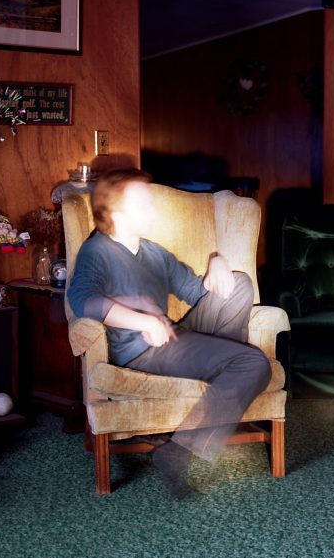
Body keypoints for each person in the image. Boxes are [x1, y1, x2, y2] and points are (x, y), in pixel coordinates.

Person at [67, 169, 271, 498]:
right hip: (140, 352)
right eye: (143, 204)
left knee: (239, 285)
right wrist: (143, 321)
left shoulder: (153, 252)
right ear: (116, 211)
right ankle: (179, 453)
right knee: (254, 364)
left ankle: (218, 388)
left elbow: (197, 291)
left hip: (173, 337)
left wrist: (218, 261)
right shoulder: (98, 251)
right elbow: (82, 302)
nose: (152, 210)